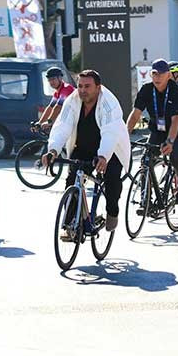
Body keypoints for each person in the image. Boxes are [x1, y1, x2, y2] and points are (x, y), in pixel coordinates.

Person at [42, 69, 130, 239]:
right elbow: (62, 126)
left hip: (111, 148)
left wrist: (104, 155)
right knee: (72, 182)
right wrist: (53, 150)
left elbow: (110, 132)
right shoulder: (72, 100)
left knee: (112, 181)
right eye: (80, 86)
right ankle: (69, 225)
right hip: (84, 146)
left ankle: (112, 211)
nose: (82, 90)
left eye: (87, 86)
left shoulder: (109, 103)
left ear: (98, 87)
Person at [128, 59, 178, 205]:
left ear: (168, 75)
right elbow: (135, 115)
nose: (157, 77)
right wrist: (125, 136)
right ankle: (146, 198)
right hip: (159, 129)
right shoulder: (146, 90)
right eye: (154, 74)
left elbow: (176, 120)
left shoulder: (177, 91)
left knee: (175, 157)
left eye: (161, 74)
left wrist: (170, 142)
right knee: (146, 160)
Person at [33, 67, 76, 132]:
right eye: (49, 80)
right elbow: (50, 107)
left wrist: (49, 121)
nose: (51, 82)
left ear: (60, 78)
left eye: (53, 79)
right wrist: (40, 123)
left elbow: (58, 107)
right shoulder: (57, 93)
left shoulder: (66, 88)